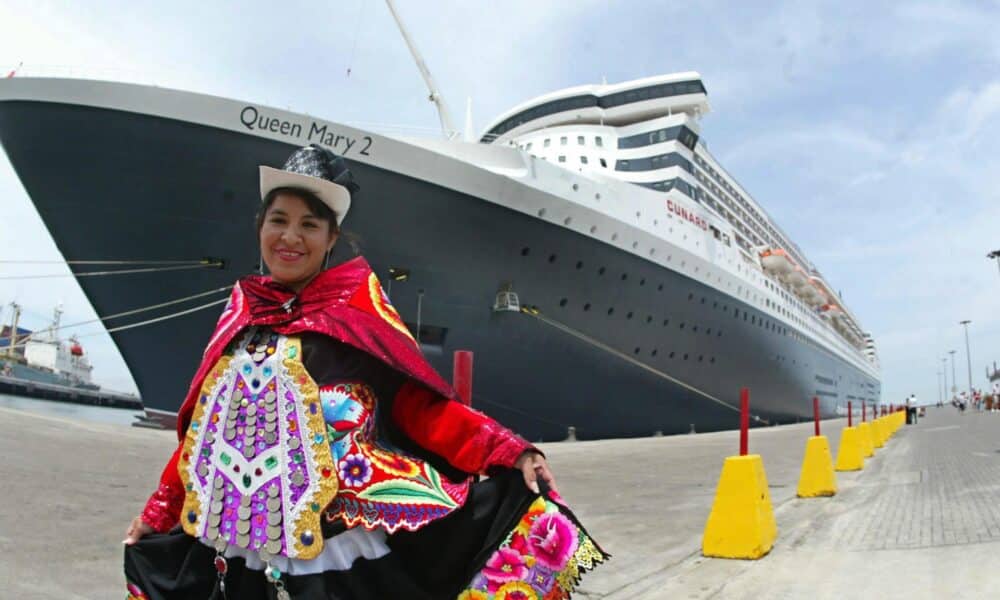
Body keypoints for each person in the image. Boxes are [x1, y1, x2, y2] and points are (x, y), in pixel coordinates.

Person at [123, 145, 607, 600]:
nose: (291, 237)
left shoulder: (359, 313)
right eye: (279, 221)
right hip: (236, 546)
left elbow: (423, 409)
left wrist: (506, 449)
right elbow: (204, 436)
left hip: (333, 553)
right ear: (260, 228)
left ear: (331, 238)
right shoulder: (242, 314)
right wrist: (159, 511)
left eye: (309, 225)